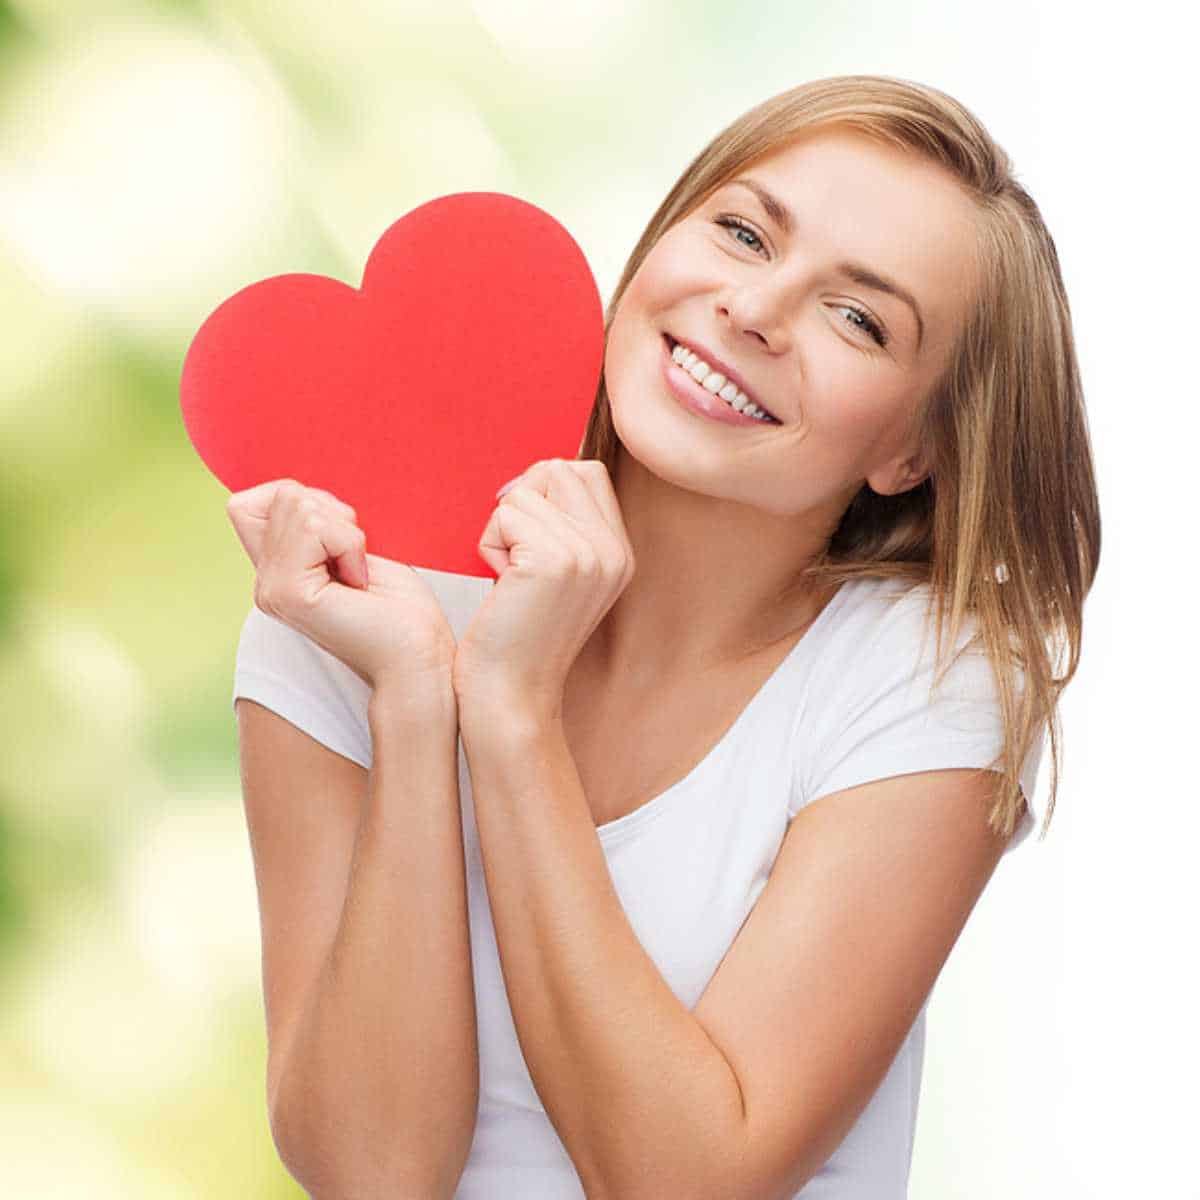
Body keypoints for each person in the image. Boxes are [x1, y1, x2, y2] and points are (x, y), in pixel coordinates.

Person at [228, 74, 1100, 1199]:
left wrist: (510, 706)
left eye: (858, 318)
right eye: (742, 233)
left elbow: (686, 1180)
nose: (752, 310)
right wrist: (412, 695)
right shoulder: (351, 598)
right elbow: (375, 1173)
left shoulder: (925, 677)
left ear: (910, 453)